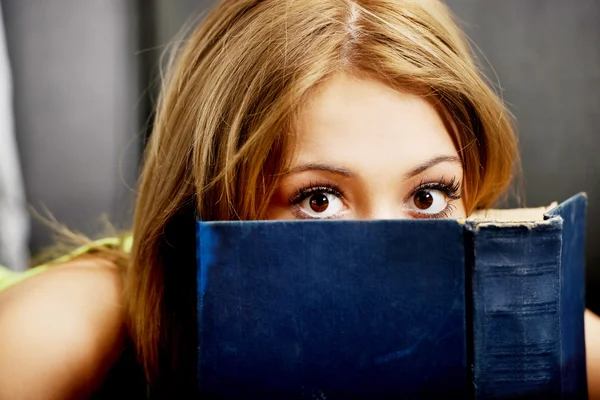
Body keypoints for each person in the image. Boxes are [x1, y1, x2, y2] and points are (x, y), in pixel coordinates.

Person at [0, 0, 598, 398]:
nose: (389, 259)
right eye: (319, 200)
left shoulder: (497, 282)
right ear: (212, 204)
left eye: (427, 195)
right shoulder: (69, 324)